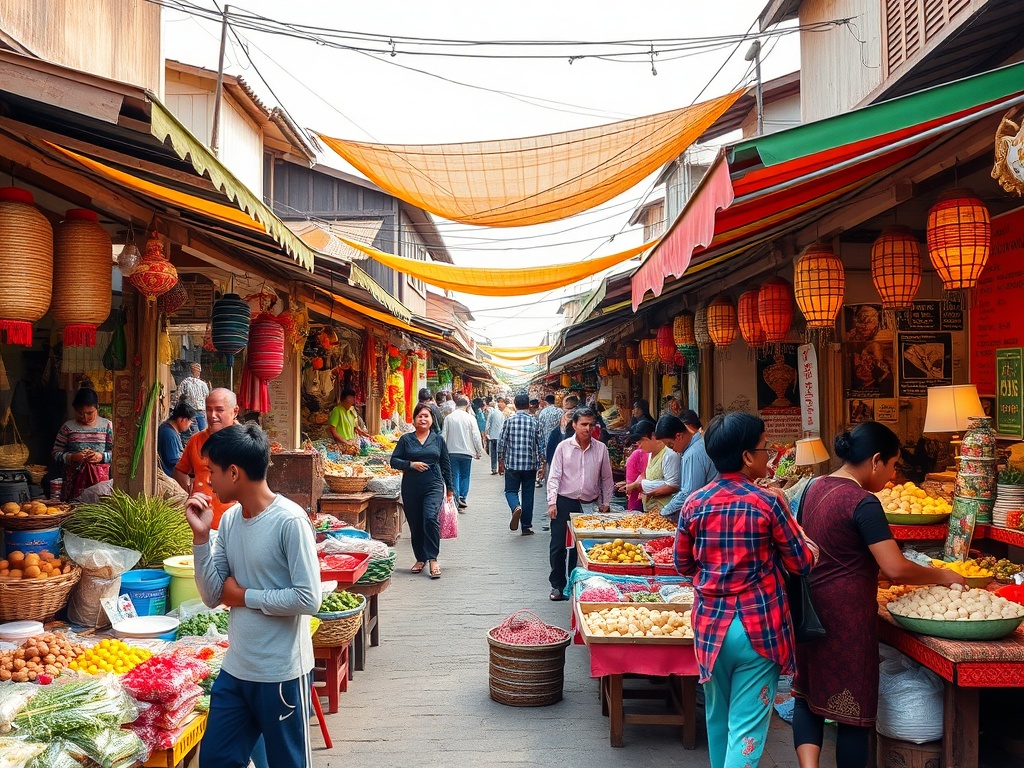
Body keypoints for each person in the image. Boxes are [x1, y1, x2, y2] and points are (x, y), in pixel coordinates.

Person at [792, 423, 965, 768]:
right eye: (893, 464)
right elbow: (895, 568)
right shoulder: (863, 502)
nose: (893, 474)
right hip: (847, 620)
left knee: (808, 697)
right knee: (853, 714)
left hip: (810, 611)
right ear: (875, 461)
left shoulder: (814, 486)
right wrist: (943, 574)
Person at [674, 412, 818, 768]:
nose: (768, 455)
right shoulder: (769, 502)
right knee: (747, 729)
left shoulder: (694, 503)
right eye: (764, 448)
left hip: (710, 628)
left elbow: (682, 564)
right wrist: (809, 544)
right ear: (746, 456)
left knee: (718, 719)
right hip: (759, 628)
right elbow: (800, 563)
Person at [184, 424, 318, 768]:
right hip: (237, 670)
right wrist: (201, 538)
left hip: (281, 674)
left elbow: (308, 599)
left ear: (234, 472)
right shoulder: (230, 520)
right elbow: (213, 595)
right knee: (215, 760)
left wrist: (245, 597)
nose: (207, 481)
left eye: (212, 471)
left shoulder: (290, 521)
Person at [546, 408, 614, 601]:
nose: (587, 428)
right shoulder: (563, 447)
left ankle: (578, 585)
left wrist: (605, 502)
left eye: (591, 424)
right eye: (583, 424)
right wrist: (552, 502)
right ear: (574, 425)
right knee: (558, 546)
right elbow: (554, 476)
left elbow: (606, 478)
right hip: (564, 501)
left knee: (583, 548)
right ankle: (558, 585)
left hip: (590, 504)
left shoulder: (601, 449)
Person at [391, 403, 454, 579]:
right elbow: (394, 461)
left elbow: (446, 464)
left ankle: (433, 558)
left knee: (430, 518)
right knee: (415, 523)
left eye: (426, 416)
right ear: (414, 420)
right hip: (411, 487)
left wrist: (450, 488)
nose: (423, 419)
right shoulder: (406, 440)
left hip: (433, 484)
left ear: (432, 419)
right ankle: (420, 558)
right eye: (420, 416)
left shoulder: (438, 440)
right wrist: (411, 464)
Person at [174, 388, 239, 530]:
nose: (212, 415)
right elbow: (180, 470)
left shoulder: (245, 443)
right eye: (209, 410)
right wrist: (189, 493)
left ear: (235, 412)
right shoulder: (196, 440)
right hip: (200, 524)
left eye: (219, 410)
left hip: (235, 524)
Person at [52, 386, 114, 502]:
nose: (85, 417)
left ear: (97, 408)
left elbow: (117, 454)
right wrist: (72, 457)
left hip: (99, 483)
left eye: (89, 413)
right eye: (80, 413)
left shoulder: (107, 426)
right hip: (72, 482)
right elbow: (56, 453)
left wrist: (101, 456)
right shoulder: (67, 427)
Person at [497, 393, 544, 536]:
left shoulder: (509, 421)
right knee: (528, 495)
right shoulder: (534, 421)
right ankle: (526, 526)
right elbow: (541, 444)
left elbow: (502, 442)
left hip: (512, 465)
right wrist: (543, 463)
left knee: (510, 491)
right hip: (530, 465)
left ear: (515, 404)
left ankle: (515, 507)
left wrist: (500, 461)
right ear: (528, 405)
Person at [660, 410, 719, 522]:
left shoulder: (693, 453)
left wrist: (664, 512)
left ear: (679, 436)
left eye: (671, 445)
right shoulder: (699, 445)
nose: (673, 449)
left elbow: (689, 493)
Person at [620, 420, 680, 514]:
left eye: (641, 442)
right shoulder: (649, 454)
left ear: (652, 436)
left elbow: (673, 485)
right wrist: (636, 484)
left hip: (666, 511)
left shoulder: (669, 455)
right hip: (650, 510)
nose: (639, 447)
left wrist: (642, 486)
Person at [442, 394, 484, 510]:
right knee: (465, 475)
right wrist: (478, 451)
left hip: (451, 452)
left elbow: (443, 435)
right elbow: (476, 436)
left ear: (456, 405)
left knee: (454, 475)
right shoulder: (470, 418)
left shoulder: (449, 418)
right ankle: (463, 497)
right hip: (467, 452)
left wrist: (442, 452)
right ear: (467, 406)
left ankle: (456, 499)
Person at [158, 403, 195, 477]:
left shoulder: (169, 429)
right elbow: (174, 461)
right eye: (189, 421)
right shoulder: (169, 434)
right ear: (182, 420)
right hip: (170, 475)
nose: (189, 425)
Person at [177, 363, 210, 432]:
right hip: (190, 410)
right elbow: (180, 395)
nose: (197, 372)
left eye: (198, 371)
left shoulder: (203, 384)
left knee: (203, 430)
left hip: (201, 410)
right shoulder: (185, 382)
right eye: (195, 370)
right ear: (191, 371)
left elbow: (207, 396)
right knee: (194, 431)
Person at [623, 441, 650, 512]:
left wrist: (629, 487)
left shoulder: (639, 453)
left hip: (640, 494)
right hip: (641, 495)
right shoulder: (640, 453)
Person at [484, 399, 506, 475]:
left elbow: (488, 423)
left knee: (493, 453)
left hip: (492, 436)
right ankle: (501, 468)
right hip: (499, 436)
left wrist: (487, 433)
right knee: (499, 453)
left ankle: (494, 469)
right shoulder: (501, 414)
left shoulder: (492, 413)